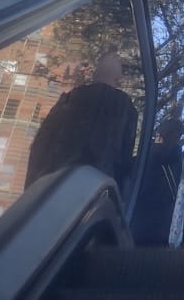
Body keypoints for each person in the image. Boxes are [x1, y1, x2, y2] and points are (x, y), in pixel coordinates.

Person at [25, 50, 138, 194]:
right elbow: (121, 164)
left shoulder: (68, 101)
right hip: (87, 197)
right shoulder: (122, 108)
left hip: (47, 193)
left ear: (94, 73)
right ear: (119, 79)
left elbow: (40, 147)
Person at [131, 115, 184, 247]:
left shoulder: (140, 161)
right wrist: (181, 242)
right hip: (166, 240)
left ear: (158, 135)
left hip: (132, 233)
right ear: (178, 139)